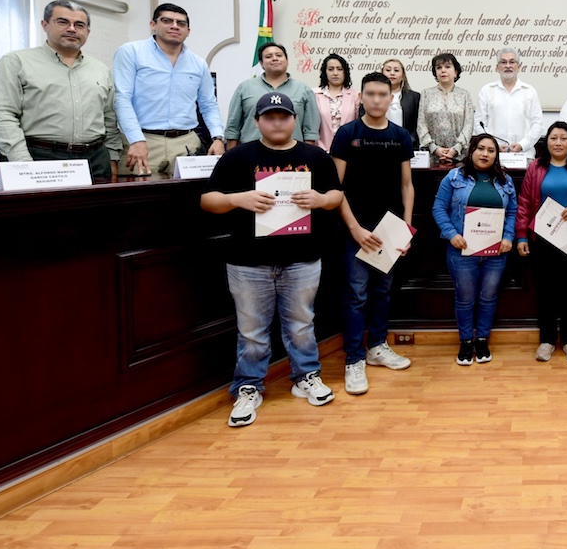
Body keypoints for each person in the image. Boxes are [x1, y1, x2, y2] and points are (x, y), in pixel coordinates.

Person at [200, 91, 342, 427]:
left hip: (302, 258)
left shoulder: (315, 157)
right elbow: (208, 200)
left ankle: (306, 376)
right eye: (269, 117)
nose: (277, 123)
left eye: (283, 116)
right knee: (251, 331)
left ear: (294, 119)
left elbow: (337, 195)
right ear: (257, 121)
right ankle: (248, 386)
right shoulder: (238, 157)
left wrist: (320, 200)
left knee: (302, 324)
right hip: (248, 261)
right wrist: (238, 199)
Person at [331, 72, 416, 395]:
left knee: (382, 291)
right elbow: (335, 188)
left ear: (391, 98)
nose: (377, 100)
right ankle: (354, 358)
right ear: (361, 97)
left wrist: (406, 228)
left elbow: (407, 186)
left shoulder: (400, 136)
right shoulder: (347, 134)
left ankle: (377, 347)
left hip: (390, 229)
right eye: (371, 94)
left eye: (383, 94)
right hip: (354, 228)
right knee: (356, 295)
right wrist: (355, 229)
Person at [0, 0, 121, 178]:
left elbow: (109, 118)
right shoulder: (16, 62)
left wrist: (112, 157)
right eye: (63, 22)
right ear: (44, 25)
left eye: (79, 25)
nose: (72, 29)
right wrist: (22, 162)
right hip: (36, 156)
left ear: (88, 31)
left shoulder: (100, 69)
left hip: (95, 160)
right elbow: (3, 114)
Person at [516, 121, 567, 362]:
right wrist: (521, 235)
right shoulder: (535, 167)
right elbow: (524, 203)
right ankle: (548, 340)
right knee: (546, 292)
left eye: (564, 138)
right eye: (554, 138)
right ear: (547, 142)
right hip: (542, 239)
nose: (558, 142)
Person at [431, 133, 517, 365]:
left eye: (491, 150)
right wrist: (451, 234)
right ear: (471, 151)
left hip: (495, 252)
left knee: (488, 297)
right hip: (462, 250)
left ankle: (482, 339)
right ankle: (466, 341)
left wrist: (508, 236)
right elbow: (438, 208)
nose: (485, 154)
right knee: (465, 298)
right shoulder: (453, 177)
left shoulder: (505, 180)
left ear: (496, 155)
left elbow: (512, 212)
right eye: (481, 148)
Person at [113, 3, 225, 176]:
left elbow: (209, 104)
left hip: (187, 144)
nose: (174, 26)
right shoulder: (131, 52)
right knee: (138, 192)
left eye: (181, 23)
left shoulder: (198, 63)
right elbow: (122, 99)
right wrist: (136, 139)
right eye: (167, 21)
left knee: (189, 193)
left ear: (188, 31)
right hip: (143, 141)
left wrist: (217, 138)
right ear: (153, 25)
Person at [224, 43, 319, 149]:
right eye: (268, 56)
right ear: (261, 64)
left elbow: (311, 131)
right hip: (251, 152)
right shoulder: (245, 87)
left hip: (292, 153)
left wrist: (306, 154)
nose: (275, 59)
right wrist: (231, 154)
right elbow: (233, 128)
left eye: (279, 55)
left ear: (287, 61)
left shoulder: (303, 89)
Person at [476, 47, 543, 153]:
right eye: (503, 62)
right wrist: (494, 146)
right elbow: (479, 124)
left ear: (519, 67)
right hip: (493, 154)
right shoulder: (486, 90)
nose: (508, 66)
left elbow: (538, 124)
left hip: (524, 153)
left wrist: (522, 145)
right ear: (497, 67)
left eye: (512, 62)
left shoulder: (530, 91)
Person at [418, 52, 474, 166]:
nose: (443, 70)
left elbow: (469, 124)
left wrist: (456, 148)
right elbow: (421, 124)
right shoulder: (426, 94)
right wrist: (434, 148)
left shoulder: (464, 95)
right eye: (439, 68)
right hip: (432, 156)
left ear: (456, 72)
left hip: (459, 156)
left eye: (448, 67)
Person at [313, 53, 359, 152]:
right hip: (319, 151)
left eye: (339, 69)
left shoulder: (356, 96)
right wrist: (321, 149)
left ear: (345, 72)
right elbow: (311, 127)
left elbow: (358, 126)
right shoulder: (314, 94)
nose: (335, 73)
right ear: (325, 72)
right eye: (330, 69)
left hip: (348, 152)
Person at [382, 57, 421, 150]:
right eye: (388, 70)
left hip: (406, 145)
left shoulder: (414, 97)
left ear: (403, 75)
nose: (392, 73)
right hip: (379, 145)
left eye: (396, 70)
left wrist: (409, 141)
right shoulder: (372, 95)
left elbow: (418, 125)